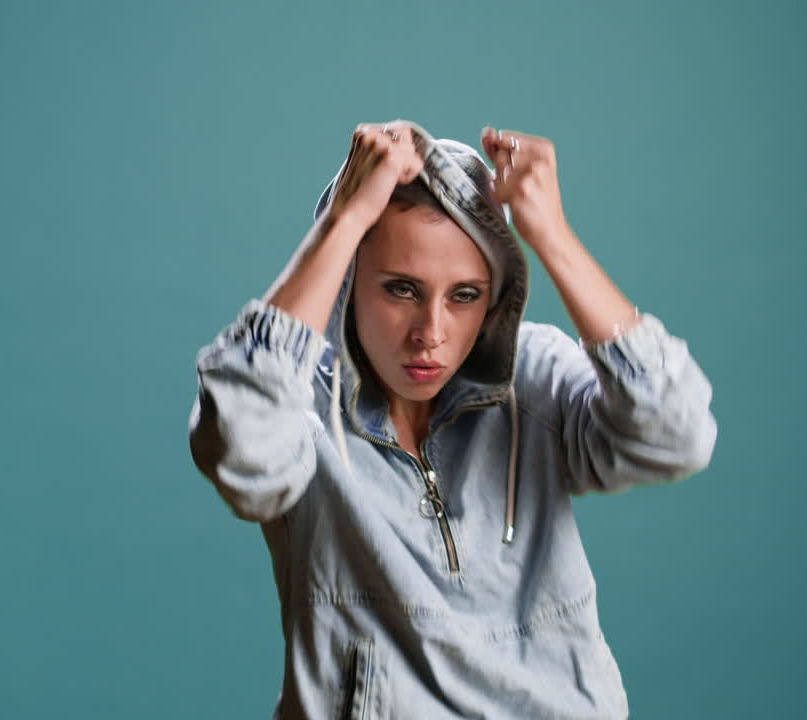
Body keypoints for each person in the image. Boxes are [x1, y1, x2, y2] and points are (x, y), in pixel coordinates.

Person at [186, 119, 716, 719]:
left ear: (494, 299)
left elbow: (677, 436)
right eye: (401, 289)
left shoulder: (533, 376)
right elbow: (238, 450)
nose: (430, 334)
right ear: (350, 282)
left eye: (464, 295)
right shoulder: (298, 402)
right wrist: (343, 221)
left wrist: (552, 236)